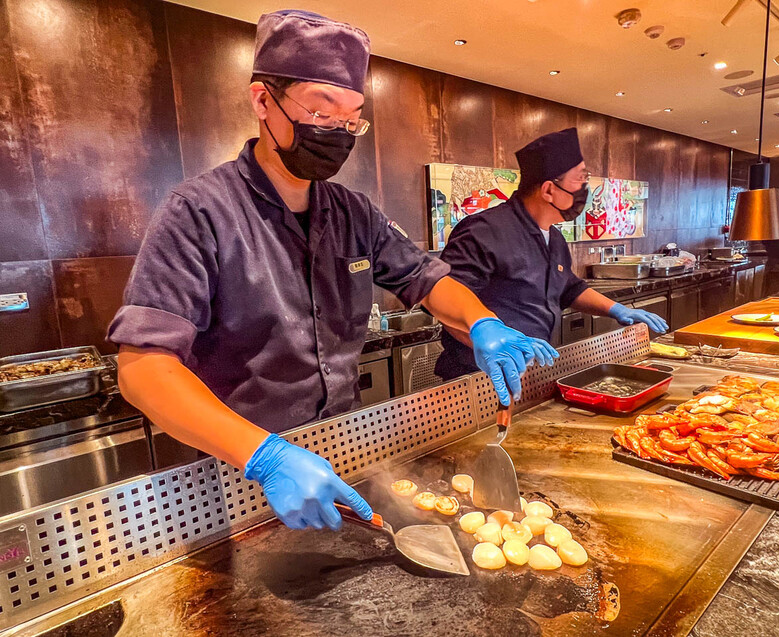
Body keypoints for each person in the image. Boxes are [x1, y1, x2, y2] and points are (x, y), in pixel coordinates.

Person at [108, 10, 557, 533]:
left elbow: (428, 278)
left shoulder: (352, 212)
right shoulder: (198, 212)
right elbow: (143, 368)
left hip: (341, 453)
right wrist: (264, 456)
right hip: (240, 470)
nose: (338, 133)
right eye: (321, 112)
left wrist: (482, 323)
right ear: (263, 101)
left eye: (350, 120)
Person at [435, 127, 668, 381]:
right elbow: (444, 301)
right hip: (479, 376)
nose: (586, 187)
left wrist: (615, 309)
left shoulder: (554, 238)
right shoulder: (483, 231)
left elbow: (568, 288)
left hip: (531, 374)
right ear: (548, 190)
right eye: (580, 178)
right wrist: (494, 345)